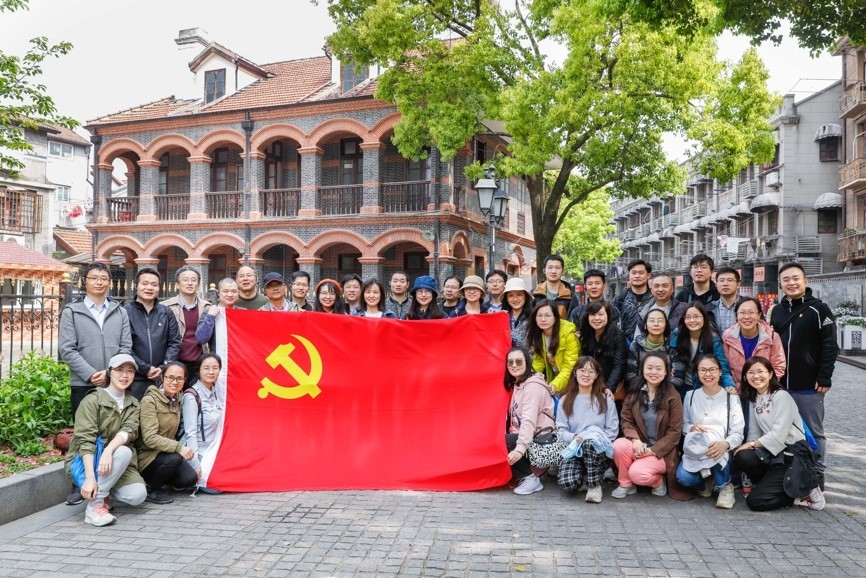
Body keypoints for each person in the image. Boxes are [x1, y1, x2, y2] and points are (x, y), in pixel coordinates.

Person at [59, 262, 133, 506]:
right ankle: (78, 483)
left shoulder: (119, 311)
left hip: (113, 383)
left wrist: (112, 374)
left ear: (109, 282)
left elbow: (126, 346)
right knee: (84, 433)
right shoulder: (72, 311)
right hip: (83, 383)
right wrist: (91, 374)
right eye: (93, 278)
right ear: (85, 281)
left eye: (103, 278)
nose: (99, 282)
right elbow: (67, 349)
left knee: (110, 432)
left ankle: (108, 483)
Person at [769, 262, 838, 480]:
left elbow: (830, 345)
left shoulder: (819, 310)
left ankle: (817, 473)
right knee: (782, 428)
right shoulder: (777, 311)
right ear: (780, 284)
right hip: (780, 385)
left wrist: (824, 376)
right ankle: (788, 472)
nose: (791, 283)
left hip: (809, 384)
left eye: (795, 278)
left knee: (813, 430)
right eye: (786, 279)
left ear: (805, 281)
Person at [64, 353, 147, 526]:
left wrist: (108, 451)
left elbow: (129, 431)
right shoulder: (92, 400)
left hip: (115, 461)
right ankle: (94, 507)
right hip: (87, 461)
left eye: (130, 371)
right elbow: (85, 441)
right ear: (109, 372)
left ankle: (105, 489)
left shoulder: (133, 403)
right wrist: (90, 478)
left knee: (137, 495)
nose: (125, 375)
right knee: (123, 451)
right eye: (119, 370)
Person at [733, 356, 825, 511]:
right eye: (751, 372)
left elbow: (779, 435)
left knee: (755, 502)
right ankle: (781, 486)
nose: (756, 376)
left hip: (792, 454)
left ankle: (806, 485)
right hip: (773, 454)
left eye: (760, 371)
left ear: (770, 374)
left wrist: (750, 445)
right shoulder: (754, 399)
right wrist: (747, 447)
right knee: (743, 456)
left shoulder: (781, 396)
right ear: (745, 377)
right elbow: (754, 433)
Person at [611, 351, 691, 500]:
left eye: (659, 368)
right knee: (618, 446)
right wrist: (635, 440)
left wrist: (652, 451)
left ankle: (658, 481)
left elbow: (674, 432)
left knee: (637, 473)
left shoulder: (673, 396)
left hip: (661, 451)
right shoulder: (634, 392)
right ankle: (626, 483)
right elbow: (626, 420)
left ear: (667, 372)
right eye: (649, 368)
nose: (653, 372)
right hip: (639, 446)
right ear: (642, 369)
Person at [677, 355, 745, 509]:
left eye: (712, 370)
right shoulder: (690, 396)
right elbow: (683, 425)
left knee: (717, 452)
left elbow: (738, 432)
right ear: (697, 373)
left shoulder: (731, 397)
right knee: (684, 478)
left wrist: (725, 444)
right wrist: (692, 428)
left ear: (720, 372)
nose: (708, 374)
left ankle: (724, 485)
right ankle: (707, 481)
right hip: (697, 450)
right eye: (703, 370)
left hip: (720, 449)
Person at [556, 357, 619, 503]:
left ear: (596, 375)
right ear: (575, 373)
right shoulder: (565, 400)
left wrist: (596, 438)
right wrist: (573, 437)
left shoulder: (605, 399)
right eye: (582, 370)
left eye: (591, 371)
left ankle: (594, 486)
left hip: (598, 451)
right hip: (575, 450)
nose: (586, 374)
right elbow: (561, 430)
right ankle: (586, 475)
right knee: (567, 483)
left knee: (590, 441)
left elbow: (612, 431)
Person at [137, 362, 198, 504]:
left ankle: (162, 479)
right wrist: (179, 447)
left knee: (189, 479)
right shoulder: (150, 400)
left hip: (166, 452)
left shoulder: (179, 398)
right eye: (170, 377)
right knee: (175, 459)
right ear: (162, 378)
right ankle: (151, 489)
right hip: (147, 455)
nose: (174, 382)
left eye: (179, 378)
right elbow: (150, 438)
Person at [504, 346, 555, 495]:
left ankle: (530, 478)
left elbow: (529, 421)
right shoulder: (517, 385)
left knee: (503, 441)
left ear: (527, 362)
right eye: (510, 362)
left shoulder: (532, 387)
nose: (514, 365)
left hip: (540, 442)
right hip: (528, 438)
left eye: (519, 361)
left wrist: (519, 449)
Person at [124, 268, 180, 400]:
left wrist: (163, 367)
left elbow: (175, 342)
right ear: (136, 286)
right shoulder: (125, 312)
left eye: (154, 284)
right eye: (145, 283)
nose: (149, 288)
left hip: (162, 378)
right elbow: (124, 346)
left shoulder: (166, 313)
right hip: (134, 377)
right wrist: (145, 368)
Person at [181, 353, 224, 495]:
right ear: (198, 370)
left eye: (215, 368)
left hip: (213, 449)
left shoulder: (218, 392)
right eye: (206, 368)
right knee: (215, 487)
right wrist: (195, 464)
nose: (211, 372)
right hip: (197, 451)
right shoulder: (191, 396)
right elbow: (190, 434)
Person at [670, 302, 734, 398]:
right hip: (682, 386)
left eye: (696, 316)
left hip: (704, 386)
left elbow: (723, 366)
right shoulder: (677, 335)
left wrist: (729, 385)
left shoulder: (713, 339)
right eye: (688, 317)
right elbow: (668, 356)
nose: (692, 320)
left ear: (704, 318)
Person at [722, 297, 786, 391]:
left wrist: (764, 386)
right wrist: (731, 385)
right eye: (742, 313)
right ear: (736, 315)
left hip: (763, 389)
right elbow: (724, 366)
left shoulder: (771, 336)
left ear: (759, 315)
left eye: (751, 312)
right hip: (737, 390)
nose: (747, 317)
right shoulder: (728, 336)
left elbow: (778, 366)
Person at [163, 266, 211, 384]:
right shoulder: (165, 307)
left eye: (193, 280)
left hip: (199, 363)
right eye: (185, 280)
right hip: (175, 362)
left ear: (198, 285)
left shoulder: (207, 307)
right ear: (177, 284)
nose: (190, 283)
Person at [625, 309, 686, 396]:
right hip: (640, 393)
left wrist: (658, 391)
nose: (656, 324)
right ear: (645, 325)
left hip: (667, 394)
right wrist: (647, 389)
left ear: (666, 324)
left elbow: (678, 378)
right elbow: (630, 374)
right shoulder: (636, 345)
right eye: (652, 321)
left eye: (660, 321)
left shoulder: (673, 345)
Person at [195, 278, 238, 399]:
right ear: (219, 293)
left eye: (233, 291)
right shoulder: (210, 312)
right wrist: (211, 317)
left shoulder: (243, 313)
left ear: (238, 293)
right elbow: (201, 339)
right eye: (226, 291)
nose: (230, 294)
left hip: (238, 367)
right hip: (217, 368)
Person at [527, 300, 579, 394]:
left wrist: (555, 385)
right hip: (555, 378)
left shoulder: (568, 334)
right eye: (539, 315)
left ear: (555, 318)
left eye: (547, 315)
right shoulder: (538, 334)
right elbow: (539, 360)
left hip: (573, 381)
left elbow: (569, 367)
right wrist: (530, 377)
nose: (543, 319)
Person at [577, 302, 626, 394]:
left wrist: (609, 387)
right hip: (590, 381)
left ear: (608, 316)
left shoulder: (618, 335)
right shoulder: (585, 333)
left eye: (601, 314)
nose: (596, 318)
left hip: (610, 383)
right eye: (593, 314)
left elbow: (619, 365)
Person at [635, 274, 687, 339]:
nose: (660, 289)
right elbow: (638, 337)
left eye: (664, 286)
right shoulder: (643, 311)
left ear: (672, 289)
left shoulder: (684, 309)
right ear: (652, 291)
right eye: (656, 286)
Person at [613, 259, 653, 340]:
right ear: (629, 275)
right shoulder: (620, 298)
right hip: (625, 344)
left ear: (648, 275)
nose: (637, 276)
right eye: (633, 273)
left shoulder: (654, 298)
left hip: (650, 345)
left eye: (641, 273)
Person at [532, 255, 572, 319]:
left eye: (557, 268)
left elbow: (573, 321)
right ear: (544, 270)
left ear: (563, 271)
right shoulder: (534, 294)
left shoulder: (570, 296)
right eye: (550, 267)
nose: (553, 271)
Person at [706, 267, 744, 334]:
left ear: (738, 284)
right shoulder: (708, 308)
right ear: (716, 284)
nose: (725, 284)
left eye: (730, 280)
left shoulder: (748, 306)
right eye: (721, 280)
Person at [502, 277, 533, 348]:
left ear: (525, 296)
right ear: (506, 298)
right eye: (510, 295)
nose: (515, 299)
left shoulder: (534, 318)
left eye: (519, 295)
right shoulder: (503, 318)